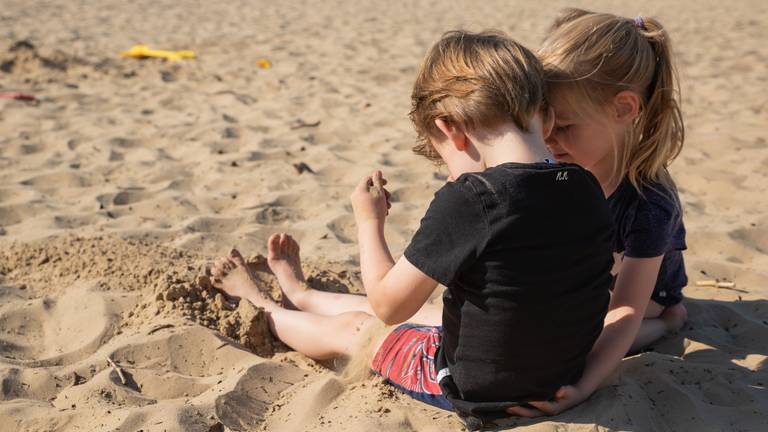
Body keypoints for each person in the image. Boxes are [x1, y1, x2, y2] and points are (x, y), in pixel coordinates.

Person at [210, 30, 615, 428]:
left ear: (451, 129)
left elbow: (388, 307)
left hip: (478, 390)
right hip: (556, 379)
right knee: (432, 311)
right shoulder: (585, 186)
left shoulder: (476, 197)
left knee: (357, 329)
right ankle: (303, 293)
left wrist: (370, 223)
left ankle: (265, 307)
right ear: (544, 118)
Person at [507, 9, 689, 418]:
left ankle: (670, 322)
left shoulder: (647, 204)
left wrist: (586, 384)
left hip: (646, 297)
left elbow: (625, 311)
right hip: (591, 279)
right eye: (542, 125)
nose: (549, 141)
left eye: (565, 127)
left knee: (576, 340)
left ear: (624, 109)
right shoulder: (564, 168)